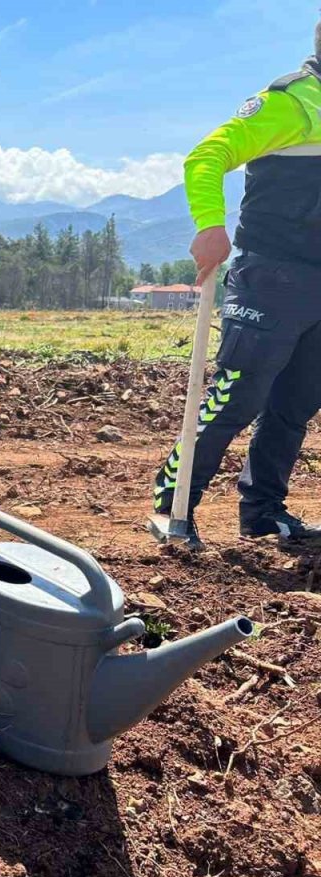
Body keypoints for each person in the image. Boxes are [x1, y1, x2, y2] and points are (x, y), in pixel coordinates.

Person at [153, 23, 321, 544]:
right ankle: (171, 501)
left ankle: (264, 512)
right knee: (235, 396)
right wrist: (209, 224)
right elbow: (207, 156)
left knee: (296, 404)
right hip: (271, 275)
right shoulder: (293, 101)